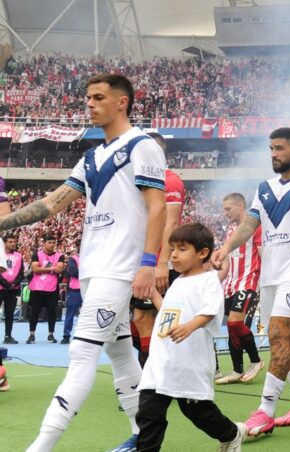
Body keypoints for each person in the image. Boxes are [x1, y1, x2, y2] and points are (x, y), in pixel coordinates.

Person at [0, 73, 167, 452]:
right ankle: (145, 438)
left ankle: (40, 446)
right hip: (92, 269)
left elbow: (157, 208)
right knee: (122, 353)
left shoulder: (142, 146)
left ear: (121, 102)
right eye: (87, 98)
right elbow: (50, 204)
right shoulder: (91, 157)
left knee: (81, 353)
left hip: (118, 270)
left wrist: (147, 262)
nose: (88, 104)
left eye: (97, 97)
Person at [211, 127, 290, 438]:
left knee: (279, 334)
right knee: (289, 338)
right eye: (270, 149)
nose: (273, 154)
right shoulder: (264, 187)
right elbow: (250, 224)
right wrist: (226, 247)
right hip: (270, 275)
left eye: (279, 148)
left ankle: (265, 411)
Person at [135, 223, 245, 452]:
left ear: (202, 253)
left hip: (189, 362)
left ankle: (232, 434)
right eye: (172, 248)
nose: (173, 254)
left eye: (181, 248)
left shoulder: (208, 280)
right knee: (149, 413)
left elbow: (210, 310)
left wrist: (189, 327)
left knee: (198, 412)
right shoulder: (178, 282)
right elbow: (168, 311)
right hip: (161, 361)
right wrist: (154, 294)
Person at [131, 132, 185, 368]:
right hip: (141, 260)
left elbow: (170, 223)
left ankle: (152, 379)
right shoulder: (140, 179)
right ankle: (159, 371)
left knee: (148, 318)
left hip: (157, 261)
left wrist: (161, 262)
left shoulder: (169, 180)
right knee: (138, 321)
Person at [215, 193, 264, 385]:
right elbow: (227, 261)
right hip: (231, 284)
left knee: (236, 323)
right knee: (231, 329)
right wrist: (216, 282)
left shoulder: (256, 227)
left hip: (249, 281)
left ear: (241, 205)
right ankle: (237, 370)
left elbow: (263, 255)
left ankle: (256, 360)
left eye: (228, 209)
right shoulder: (231, 231)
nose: (225, 213)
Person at [26, 235, 66, 344]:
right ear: (44, 243)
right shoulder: (37, 255)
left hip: (52, 289)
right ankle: (31, 334)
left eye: (53, 242)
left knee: (51, 312)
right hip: (37, 289)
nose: (52, 244)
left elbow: (59, 269)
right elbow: (34, 268)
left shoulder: (60, 255)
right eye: (49, 242)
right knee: (34, 312)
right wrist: (52, 268)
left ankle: (50, 335)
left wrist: (42, 269)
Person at [2, 235, 23, 344]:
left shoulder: (19, 256)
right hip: (1, 288)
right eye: (10, 242)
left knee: (9, 314)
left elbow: (21, 273)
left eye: (14, 242)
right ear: (4, 243)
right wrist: (5, 284)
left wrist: (14, 283)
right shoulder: (0, 255)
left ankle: (8, 336)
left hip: (13, 289)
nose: (13, 244)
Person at [61, 243, 82, 344]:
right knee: (70, 313)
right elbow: (73, 272)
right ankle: (66, 336)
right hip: (75, 290)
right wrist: (88, 272)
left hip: (90, 289)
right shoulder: (73, 259)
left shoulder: (94, 258)